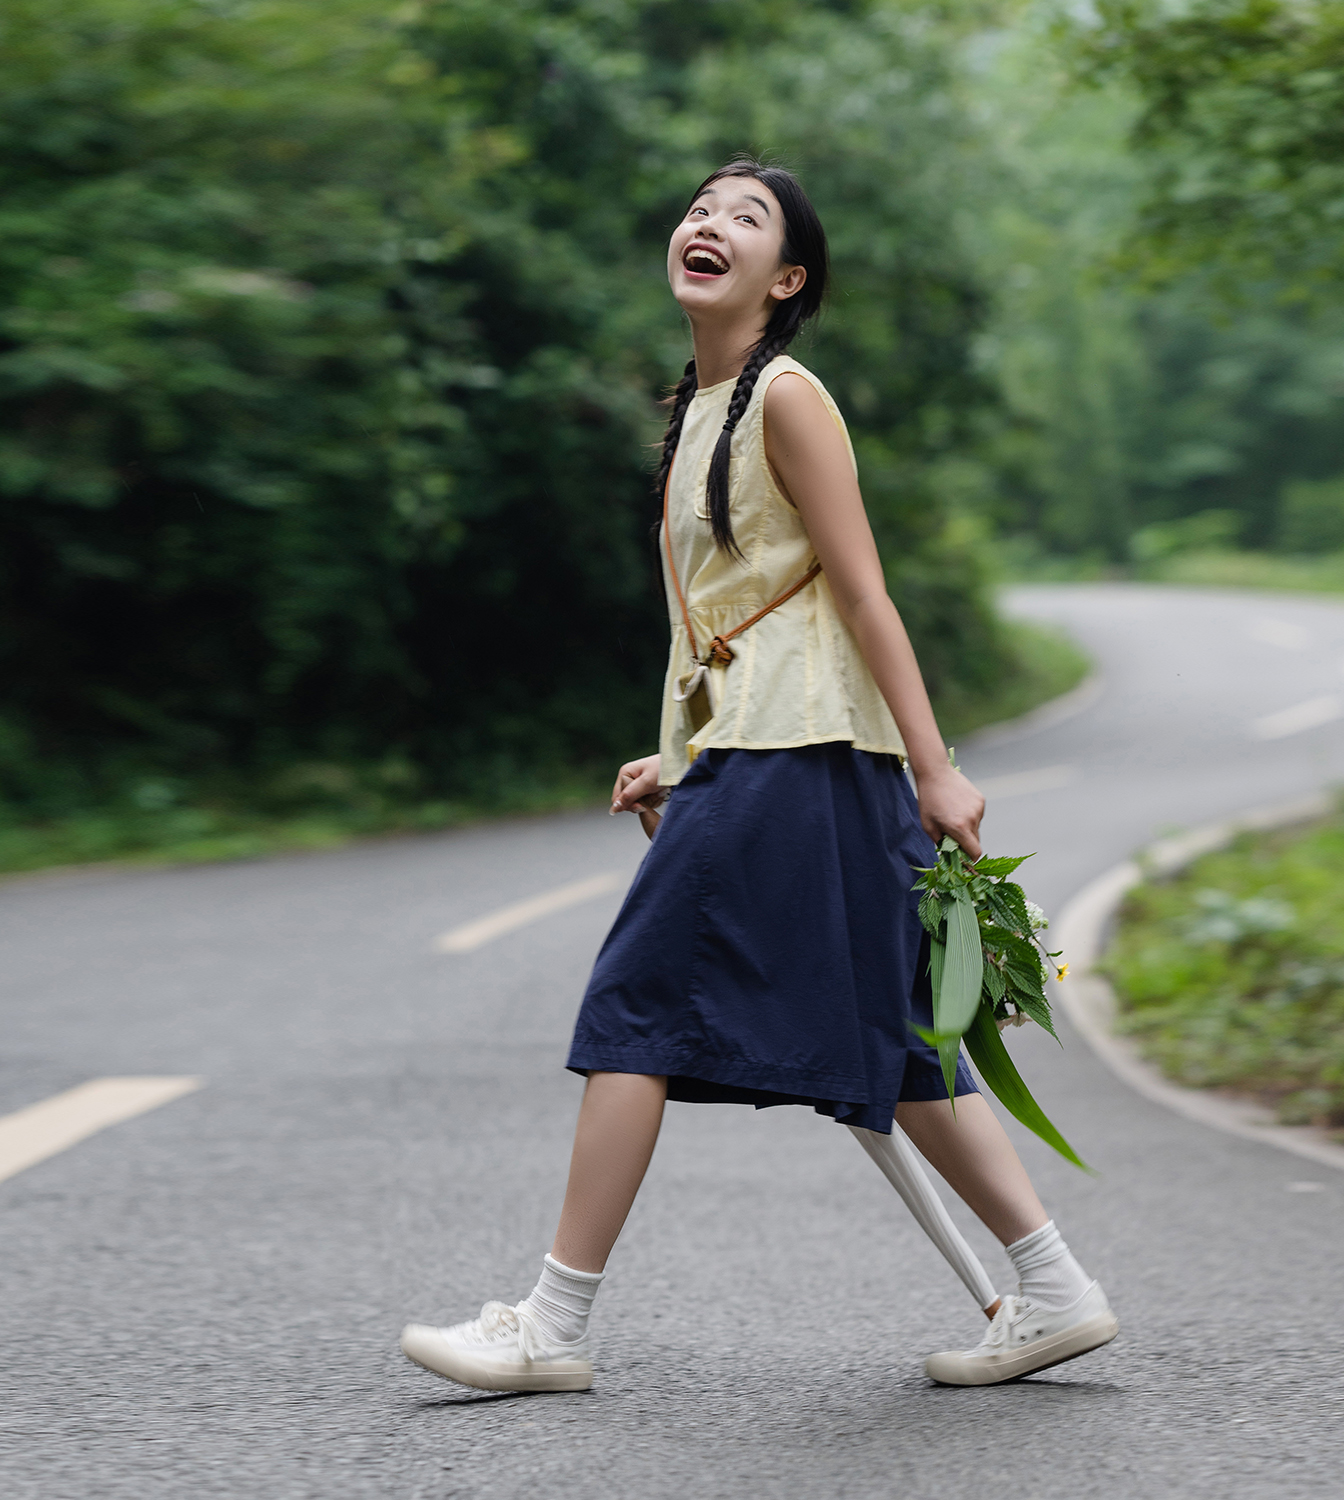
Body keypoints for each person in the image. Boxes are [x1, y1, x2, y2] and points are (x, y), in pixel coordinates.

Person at [399, 158, 1117, 1394]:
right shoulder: (696, 412)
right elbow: (713, 622)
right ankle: (1052, 1288)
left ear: (784, 278)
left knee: (631, 1010)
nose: (707, 223)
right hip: (768, 747)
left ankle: (551, 1324)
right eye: (698, 207)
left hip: (809, 751)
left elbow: (861, 589)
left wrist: (938, 772)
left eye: (745, 216)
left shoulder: (788, 396)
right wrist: (679, 753)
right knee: (894, 1036)